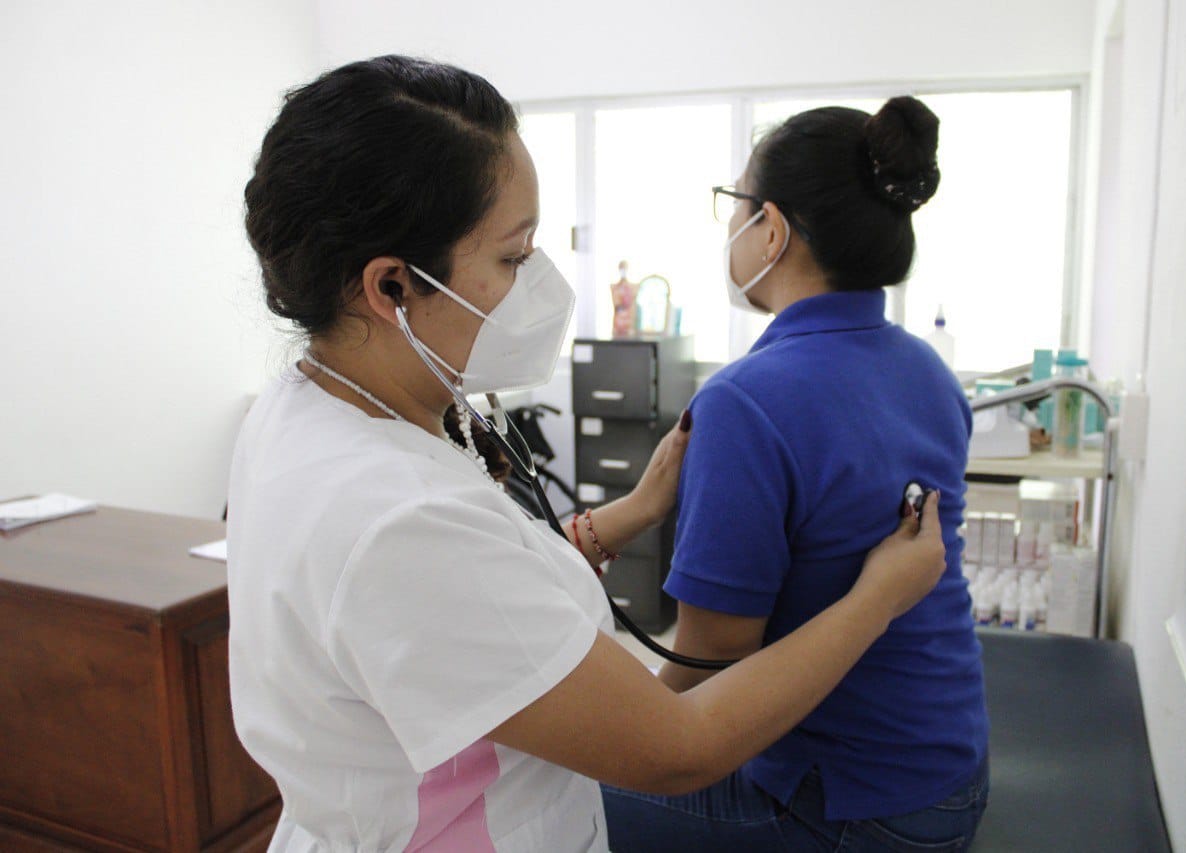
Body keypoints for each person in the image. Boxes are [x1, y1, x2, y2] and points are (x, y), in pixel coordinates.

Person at [228, 55, 948, 852]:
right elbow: (677, 744)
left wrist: (635, 510)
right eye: (513, 256)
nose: (539, 280)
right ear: (392, 286)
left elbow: (483, 592)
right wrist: (879, 597)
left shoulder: (299, 410)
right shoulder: (394, 517)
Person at [602, 99, 990, 851]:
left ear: (770, 230)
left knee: (545, 791)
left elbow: (708, 661)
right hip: (952, 770)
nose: (730, 229)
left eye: (735, 206)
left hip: (847, 808)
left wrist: (619, 735)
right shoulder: (928, 371)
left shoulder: (746, 400)